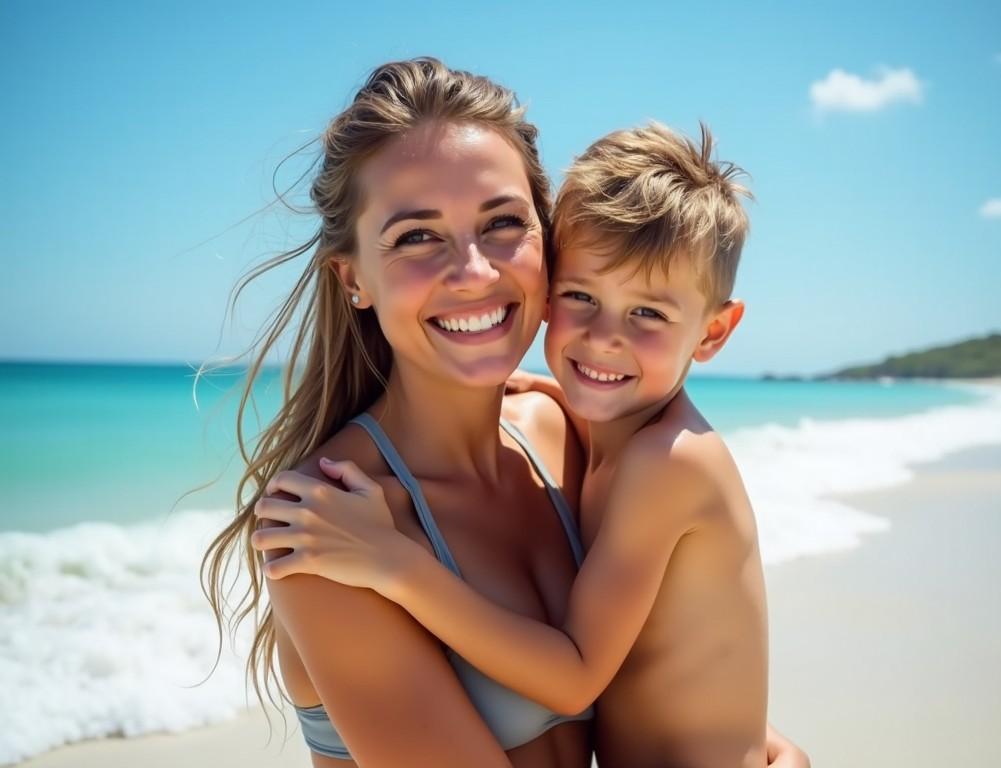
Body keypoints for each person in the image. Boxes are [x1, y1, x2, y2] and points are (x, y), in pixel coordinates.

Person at [209, 56, 807, 767]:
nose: (474, 272)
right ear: (353, 277)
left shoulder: (567, 434)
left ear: (550, 243)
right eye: (416, 236)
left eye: (502, 223)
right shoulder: (330, 530)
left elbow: (686, 689)